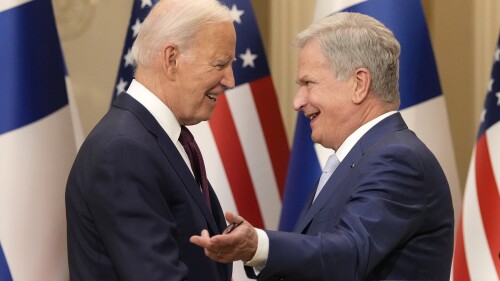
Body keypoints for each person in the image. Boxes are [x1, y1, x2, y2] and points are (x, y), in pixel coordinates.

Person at [190, 12, 454, 281]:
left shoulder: (398, 159)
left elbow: (350, 254)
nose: (298, 101)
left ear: (359, 84)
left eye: (308, 83)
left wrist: (259, 246)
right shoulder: (357, 160)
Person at [65, 0, 236, 280]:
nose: (230, 80)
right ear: (171, 60)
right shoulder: (123, 150)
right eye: (221, 63)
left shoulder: (161, 140)